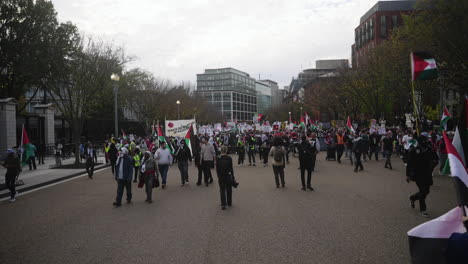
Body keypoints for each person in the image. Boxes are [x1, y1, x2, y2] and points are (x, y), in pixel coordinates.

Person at [407, 136, 438, 217]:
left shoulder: (430, 149)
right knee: (423, 191)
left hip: (427, 174)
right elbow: (409, 164)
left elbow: (436, 159)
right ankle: (423, 210)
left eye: (427, 140)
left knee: (426, 191)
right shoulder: (414, 150)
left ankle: (413, 198)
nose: (426, 141)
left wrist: (433, 164)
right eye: (424, 140)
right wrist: (408, 175)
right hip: (418, 174)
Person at [216, 146, 237, 210]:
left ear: (221, 151)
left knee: (222, 190)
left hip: (221, 176)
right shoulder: (229, 158)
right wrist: (233, 176)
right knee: (229, 189)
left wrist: (218, 176)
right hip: (228, 175)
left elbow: (217, 168)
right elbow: (231, 169)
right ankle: (229, 202)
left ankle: (223, 204)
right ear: (226, 150)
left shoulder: (218, 158)